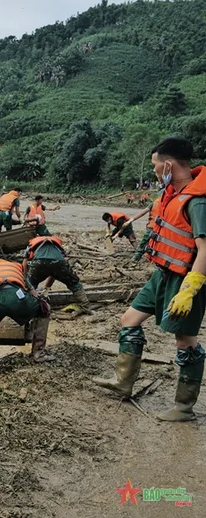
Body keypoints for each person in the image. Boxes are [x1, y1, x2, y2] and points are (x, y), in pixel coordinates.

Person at [94, 137, 206, 421]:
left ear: (168, 164)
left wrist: (190, 289)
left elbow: (205, 249)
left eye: (155, 164)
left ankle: (184, 407)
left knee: (185, 340)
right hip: (163, 274)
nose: (155, 170)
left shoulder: (197, 202)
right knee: (128, 320)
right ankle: (123, 382)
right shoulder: (170, 193)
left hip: (187, 280)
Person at [22, 235, 90, 316]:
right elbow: (54, 272)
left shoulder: (32, 243)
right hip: (59, 262)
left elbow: (24, 262)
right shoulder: (56, 244)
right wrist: (46, 290)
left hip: (39, 263)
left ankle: (28, 307)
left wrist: (26, 279)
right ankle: (85, 306)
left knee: (31, 284)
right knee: (74, 282)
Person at [122, 191, 163, 261]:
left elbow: (142, 212)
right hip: (162, 228)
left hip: (152, 227)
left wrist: (131, 220)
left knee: (144, 244)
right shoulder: (169, 204)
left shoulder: (155, 202)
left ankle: (136, 258)